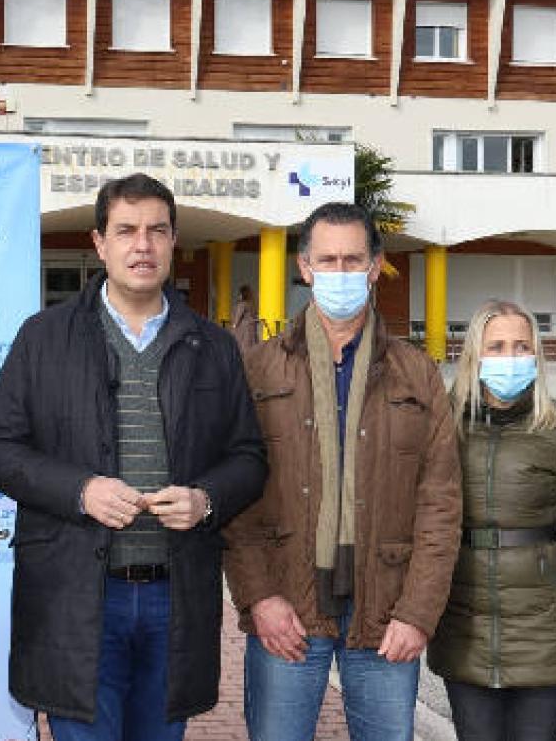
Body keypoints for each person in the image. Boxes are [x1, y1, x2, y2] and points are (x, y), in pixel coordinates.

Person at [0, 173, 267, 741]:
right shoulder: (43, 337)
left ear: (173, 241)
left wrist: (207, 500)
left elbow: (249, 458)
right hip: (77, 596)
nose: (143, 245)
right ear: (99, 243)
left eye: (157, 231)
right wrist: (79, 491)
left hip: (174, 597)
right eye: (127, 230)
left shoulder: (213, 346)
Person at [223, 202, 461, 741]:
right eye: (326, 261)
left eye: (353, 260)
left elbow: (441, 503)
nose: (340, 273)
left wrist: (418, 613)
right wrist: (259, 597)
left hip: (386, 612)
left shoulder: (416, 374)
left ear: (375, 267)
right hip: (287, 605)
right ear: (304, 268)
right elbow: (234, 499)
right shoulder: (258, 370)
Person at [428, 299, 556, 741]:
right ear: (473, 355)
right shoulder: (442, 426)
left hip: (548, 629)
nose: (510, 358)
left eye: (522, 346)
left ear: (536, 355)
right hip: (464, 626)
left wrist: (550, 576)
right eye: (497, 346)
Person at [231, 284, 260, 350]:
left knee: (242, 346)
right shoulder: (251, 304)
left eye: (240, 294)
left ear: (242, 294)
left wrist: (233, 327)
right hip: (252, 328)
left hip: (243, 329)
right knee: (252, 344)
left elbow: (237, 317)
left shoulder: (242, 304)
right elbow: (255, 316)